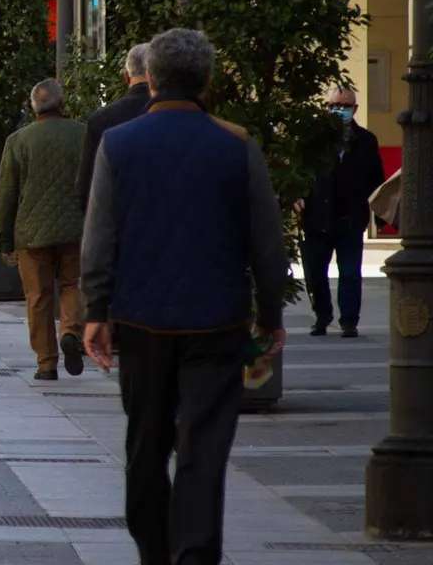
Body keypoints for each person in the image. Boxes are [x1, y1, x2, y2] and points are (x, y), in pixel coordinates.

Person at [82, 29, 288, 565]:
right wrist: (269, 314)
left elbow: (99, 237)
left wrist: (96, 310)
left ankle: (153, 549)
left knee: (146, 443)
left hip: (141, 318)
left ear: (150, 78)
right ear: (207, 80)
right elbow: (268, 242)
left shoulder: (118, 144)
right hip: (216, 321)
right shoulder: (236, 144)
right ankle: (195, 554)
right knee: (203, 448)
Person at [0, 79, 88, 380]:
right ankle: (70, 332)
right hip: (75, 227)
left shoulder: (18, 140)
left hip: (31, 231)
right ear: (62, 103)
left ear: (32, 106)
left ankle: (46, 364)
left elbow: (6, 194)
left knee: (37, 296)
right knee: (72, 284)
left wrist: (4, 238)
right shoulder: (82, 134)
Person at [297, 86, 386, 338]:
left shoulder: (366, 140)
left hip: (350, 218)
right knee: (315, 272)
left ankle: (348, 321)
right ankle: (322, 315)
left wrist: (380, 214)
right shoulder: (313, 139)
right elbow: (300, 172)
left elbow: (376, 179)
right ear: (327, 108)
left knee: (349, 273)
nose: (340, 110)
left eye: (346, 106)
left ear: (355, 109)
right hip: (316, 217)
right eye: (335, 105)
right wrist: (298, 197)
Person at [76, 43, 152, 210]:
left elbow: (86, 187)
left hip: (116, 216)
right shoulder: (172, 116)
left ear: (126, 76)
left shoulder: (101, 120)